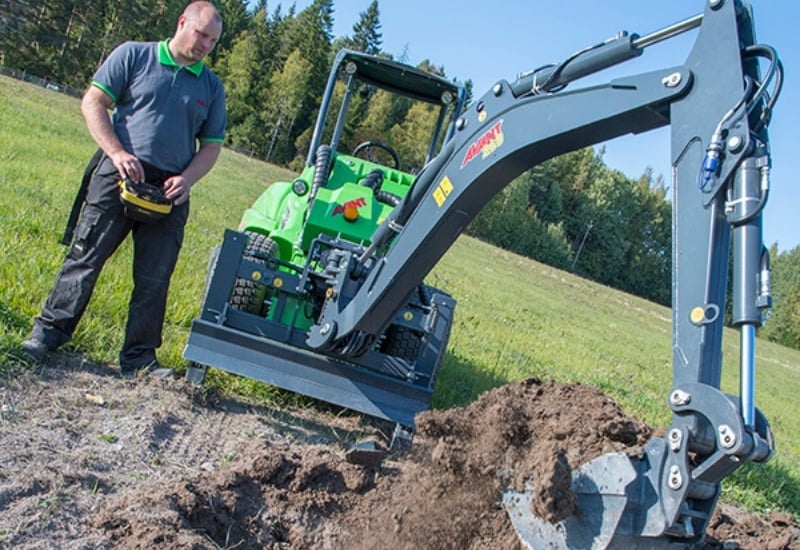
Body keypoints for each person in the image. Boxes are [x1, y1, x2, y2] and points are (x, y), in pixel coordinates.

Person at [21, 1, 226, 377]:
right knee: (85, 258)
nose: (205, 46)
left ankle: (139, 360)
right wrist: (116, 152)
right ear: (182, 23)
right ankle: (46, 336)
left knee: (154, 278)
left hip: (169, 192)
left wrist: (187, 180)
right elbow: (94, 102)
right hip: (118, 175)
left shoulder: (211, 87)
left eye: (212, 41)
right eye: (201, 35)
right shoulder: (134, 55)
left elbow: (211, 145)